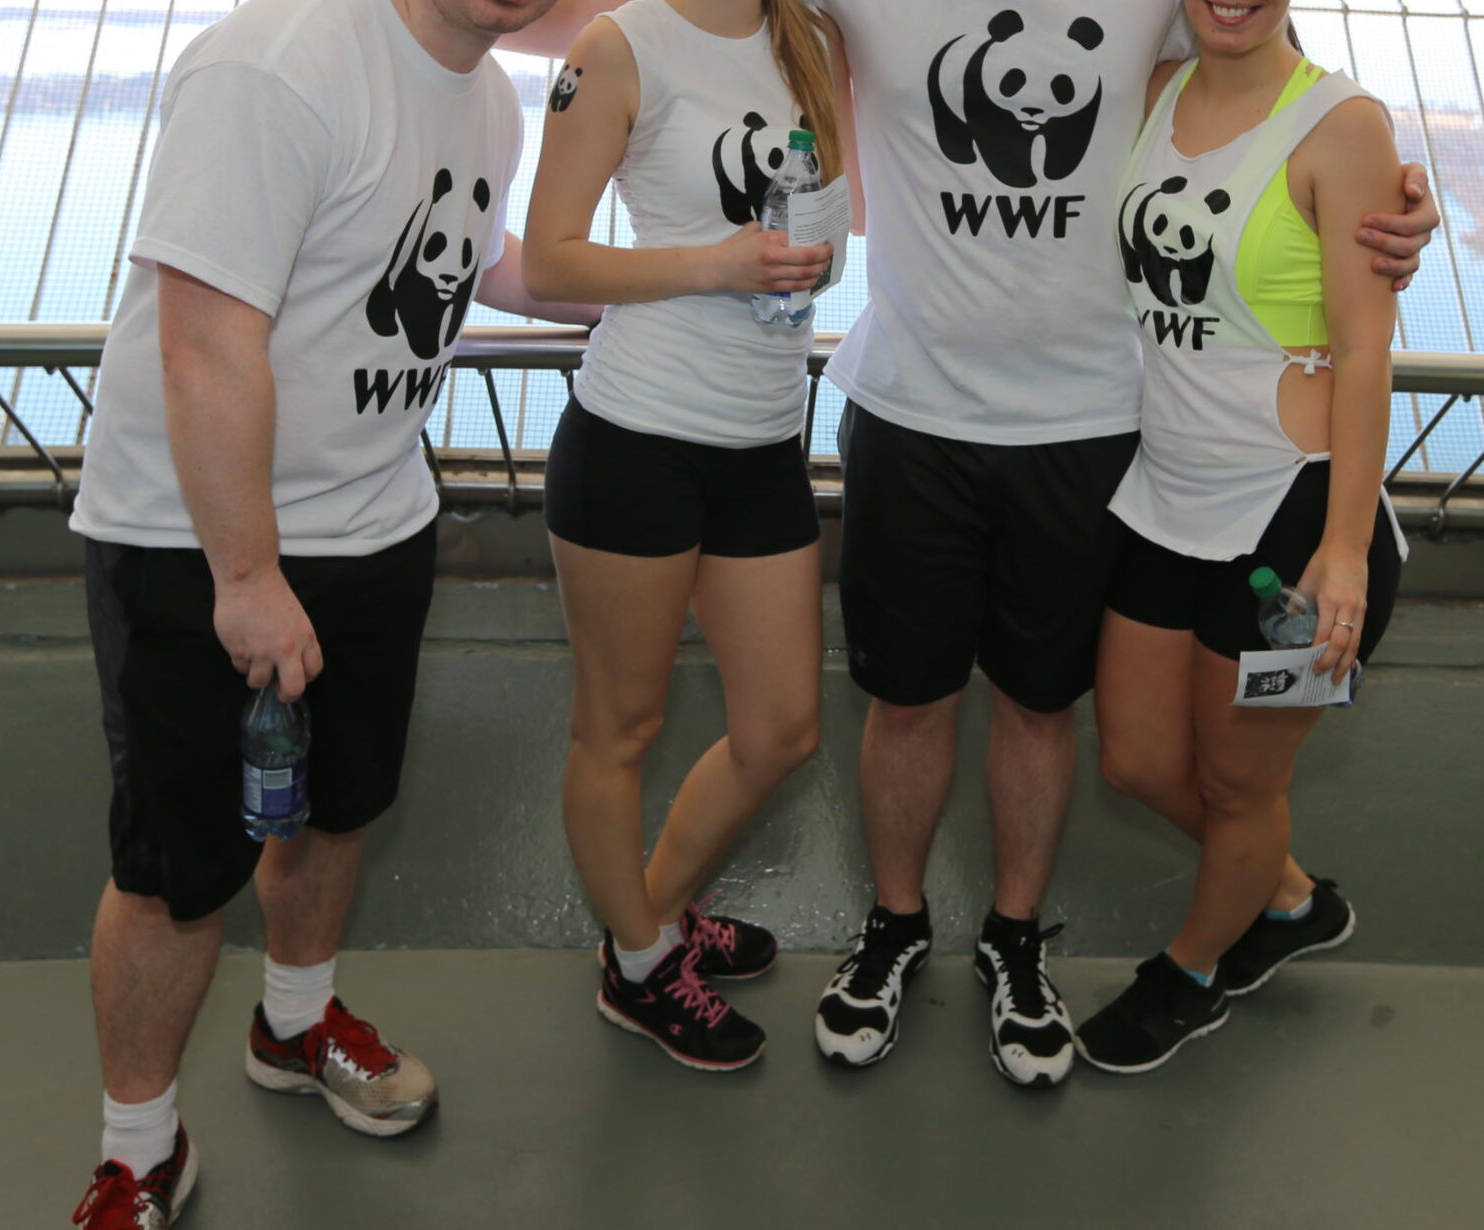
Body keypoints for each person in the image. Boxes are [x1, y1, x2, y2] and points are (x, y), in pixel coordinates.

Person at [791, 0, 1438, 1090]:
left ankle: (1043, 947)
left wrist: (1387, 201)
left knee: (1054, 709)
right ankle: (898, 929)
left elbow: (1303, 133)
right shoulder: (1164, 72)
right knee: (1005, 724)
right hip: (966, 428)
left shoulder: (1174, 25)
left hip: (1115, 442)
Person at [64, 0, 593, 1222]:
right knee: (176, 872)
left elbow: (470, 253)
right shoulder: (279, 60)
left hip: (372, 525)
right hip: (193, 541)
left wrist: (634, 294)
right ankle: (139, 1148)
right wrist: (246, 579)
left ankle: (292, 1027)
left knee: (334, 808)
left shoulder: (487, 98)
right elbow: (201, 342)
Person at [1076, 1, 1405, 1073]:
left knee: (1238, 789)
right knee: (1130, 760)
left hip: (1297, 513)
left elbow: (1364, 352)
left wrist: (1345, 548)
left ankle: (1190, 973)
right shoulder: (1154, 89)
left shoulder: (1342, 125)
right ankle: (1290, 900)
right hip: (1167, 493)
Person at [522, 0, 843, 1069]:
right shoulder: (618, 45)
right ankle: (645, 959)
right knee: (618, 726)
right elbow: (553, 265)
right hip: (637, 440)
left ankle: (644, 924)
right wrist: (715, 265)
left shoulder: (809, 43)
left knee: (780, 727)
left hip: (760, 442)